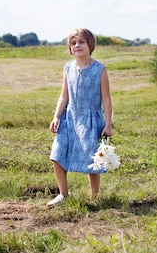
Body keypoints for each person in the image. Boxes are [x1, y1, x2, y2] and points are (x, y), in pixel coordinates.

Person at [47, 28, 113, 206]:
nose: (77, 46)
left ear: (90, 45)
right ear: (70, 48)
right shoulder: (68, 68)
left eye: (81, 42)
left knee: (93, 160)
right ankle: (63, 194)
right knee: (57, 154)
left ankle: (95, 197)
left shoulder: (100, 70)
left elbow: (106, 99)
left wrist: (108, 124)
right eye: (73, 43)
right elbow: (64, 96)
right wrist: (56, 116)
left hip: (91, 120)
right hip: (69, 119)